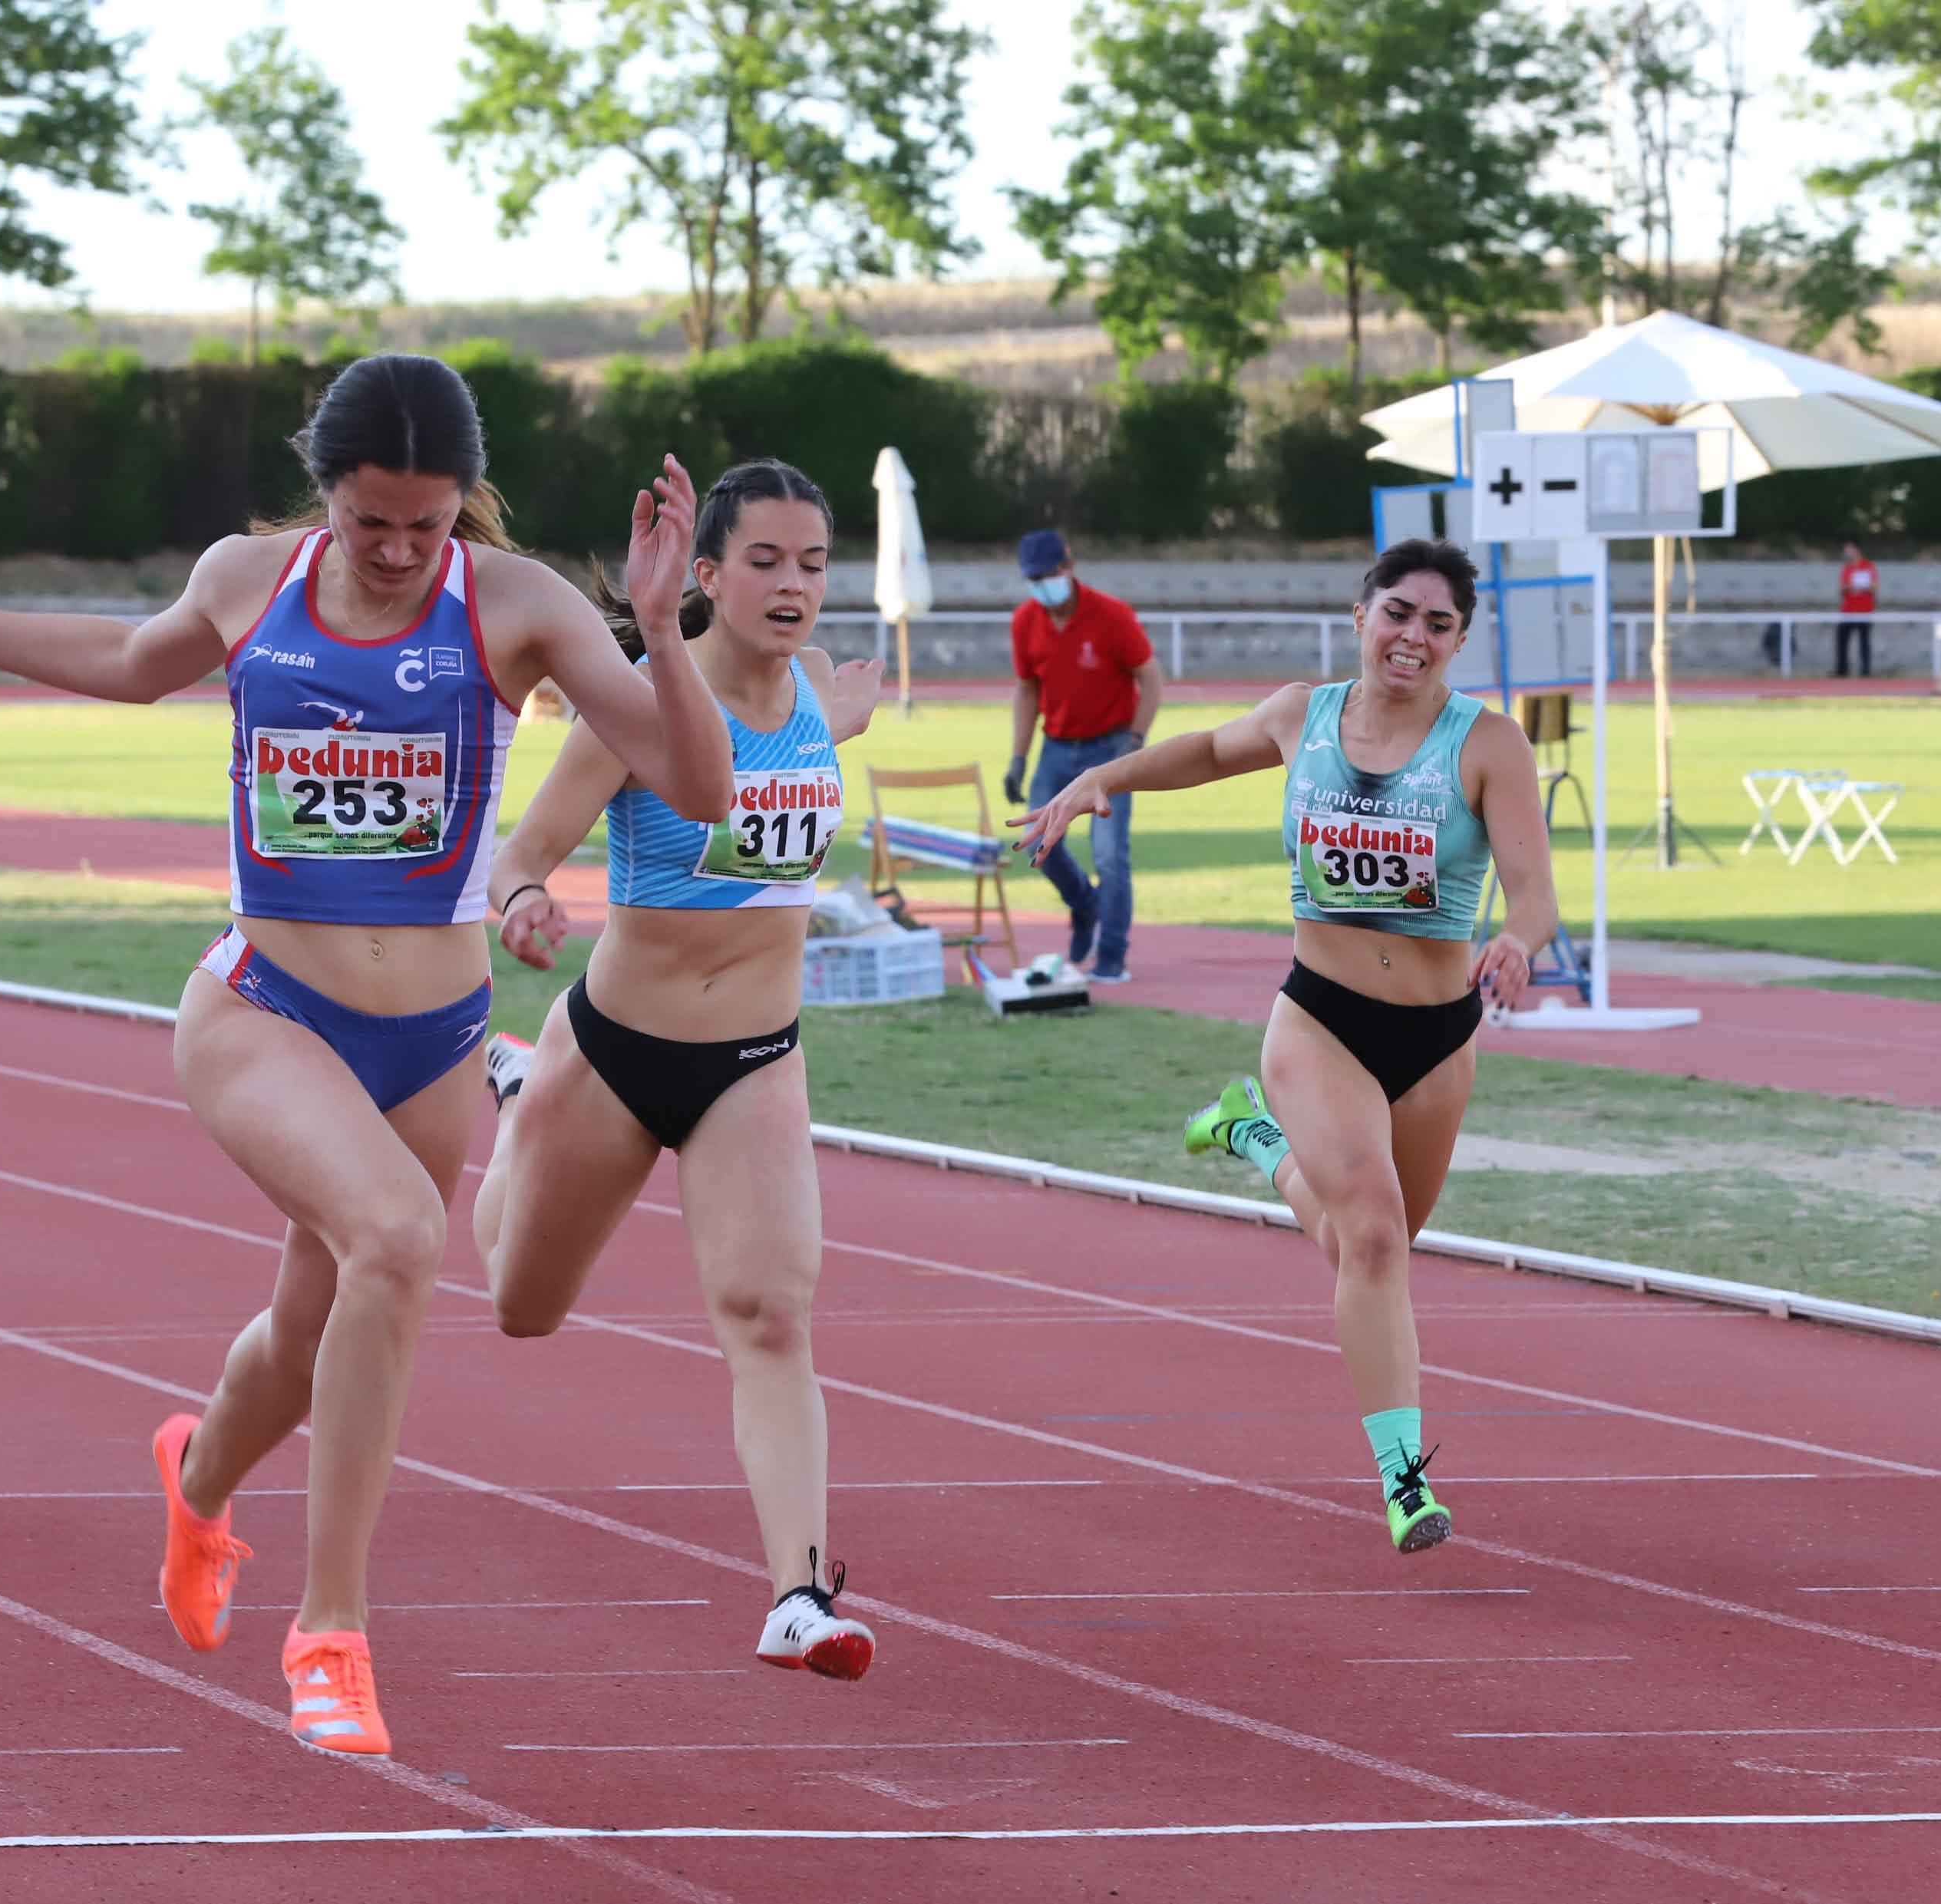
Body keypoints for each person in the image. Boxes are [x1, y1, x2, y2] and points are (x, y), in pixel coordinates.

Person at [0, 355, 734, 1758]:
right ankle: (333, 1632)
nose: (399, 549)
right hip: (261, 1008)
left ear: (461, 506)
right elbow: (125, 666)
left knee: (305, 1345)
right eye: (373, 521)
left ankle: (197, 1483)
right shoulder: (251, 581)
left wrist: (662, 627)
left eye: (426, 525)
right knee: (395, 1237)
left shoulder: (520, 604)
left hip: (428, 1037)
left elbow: (696, 788)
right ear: (329, 492)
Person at [1015, 539, 1556, 1556]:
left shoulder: (1486, 743)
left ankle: (1252, 1138)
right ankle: (1405, 1478)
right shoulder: (1303, 715)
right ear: (1362, 615)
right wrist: (1103, 779)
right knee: (1377, 1235)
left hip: (1438, 1035)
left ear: (1460, 643)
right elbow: (1210, 753)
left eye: (1439, 625)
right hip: (1321, 1020)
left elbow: (1534, 890)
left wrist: (1517, 943)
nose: (1415, 638)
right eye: (1399, 613)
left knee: (1368, 1246)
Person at [472, 460, 885, 1681]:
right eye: (765, 560)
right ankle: (518, 1095)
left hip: (755, 1059)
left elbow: (813, 732)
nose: (794, 585)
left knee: (770, 1313)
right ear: (704, 575)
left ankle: (798, 1594)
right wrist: (530, 903)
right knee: (520, 1306)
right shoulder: (641, 706)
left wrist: (847, 714)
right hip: (616, 1050)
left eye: (813, 564)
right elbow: (520, 852)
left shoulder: (813, 686)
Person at [1004, 529, 1159, 982]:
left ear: (1068, 569)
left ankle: (1112, 956)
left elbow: (1150, 677)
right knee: (1038, 839)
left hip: (1110, 748)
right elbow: (1028, 689)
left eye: (1048, 576)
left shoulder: (1111, 615)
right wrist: (1018, 757)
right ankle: (1084, 905)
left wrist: (1136, 740)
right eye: (1032, 579)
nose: (1041, 587)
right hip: (1057, 745)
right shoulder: (1025, 622)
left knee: (1110, 855)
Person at [1834, 540, 1877, 679]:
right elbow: (1842, 589)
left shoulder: (1869, 566)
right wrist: (1853, 586)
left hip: (1865, 610)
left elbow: (1874, 587)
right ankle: (1842, 670)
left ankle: (1865, 671)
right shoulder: (1847, 568)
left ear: (1857, 550)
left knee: (1864, 641)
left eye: (1849, 549)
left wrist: (1859, 586)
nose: (1846, 552)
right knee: (1842, 640)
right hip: (1848, 611)